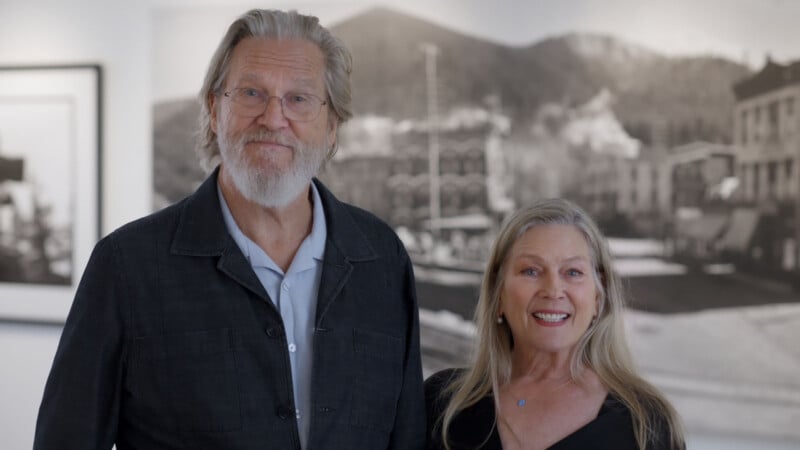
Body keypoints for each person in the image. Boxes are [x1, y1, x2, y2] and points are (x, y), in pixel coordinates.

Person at [34, 9, 425, 450]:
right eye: (252, 93)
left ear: (332, 125)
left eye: (298, 99)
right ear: (215, 109)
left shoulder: (382, 260)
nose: (273, 118)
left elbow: (406, 436)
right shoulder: (127, 267)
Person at [425, 199, 685, 450]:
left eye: (573, 272)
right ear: (498, 293)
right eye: (531, 271)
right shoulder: (441, 405)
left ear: (598, 295)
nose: (553, 290)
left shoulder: (647, 425)